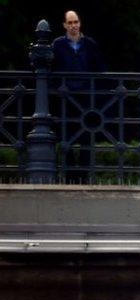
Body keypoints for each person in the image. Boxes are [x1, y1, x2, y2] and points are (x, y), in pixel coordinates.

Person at [51, 10, 106, 182]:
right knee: (65, 135)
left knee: (86, 135)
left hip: (86, 97)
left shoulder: (89, 44)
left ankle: (83, 174)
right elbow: (52, 70)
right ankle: (68, 175)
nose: (73, 26)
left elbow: (100, 69)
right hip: (66, 97)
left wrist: (95, 91)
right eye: (70, 23)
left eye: (76, 22)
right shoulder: (58, 44)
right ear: (64, 25)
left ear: (80, 23)